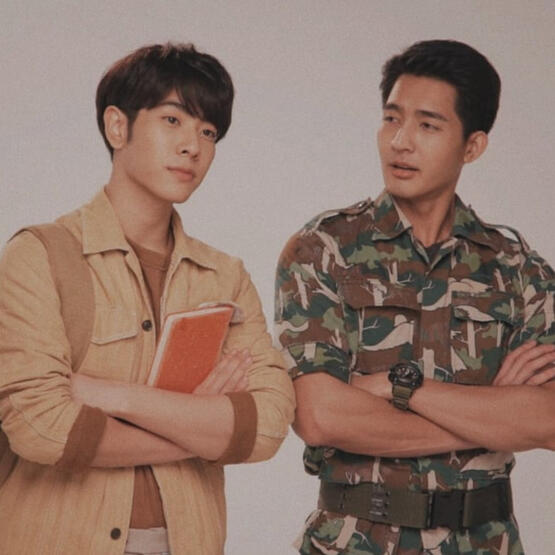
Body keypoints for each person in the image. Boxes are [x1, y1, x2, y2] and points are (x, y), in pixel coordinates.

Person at [0, 42, 295, 554]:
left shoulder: (223, 276)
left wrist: (113, 397)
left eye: (208, 132)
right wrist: (198, 424)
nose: (192, 147)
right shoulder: (39, 256)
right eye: (172, 120)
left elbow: (266, 427)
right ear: (118, 126)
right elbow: (42, 428)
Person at [275, 39, 554, 554]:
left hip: (485, 542)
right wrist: (494, 419)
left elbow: (548, 419)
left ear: (472, 146)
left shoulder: (516, 269)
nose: (400, 142)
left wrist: (396, 387)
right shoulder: (324, 250)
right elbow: (319, 416)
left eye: (428, 125)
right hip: (356, 540)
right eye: (391, 119)